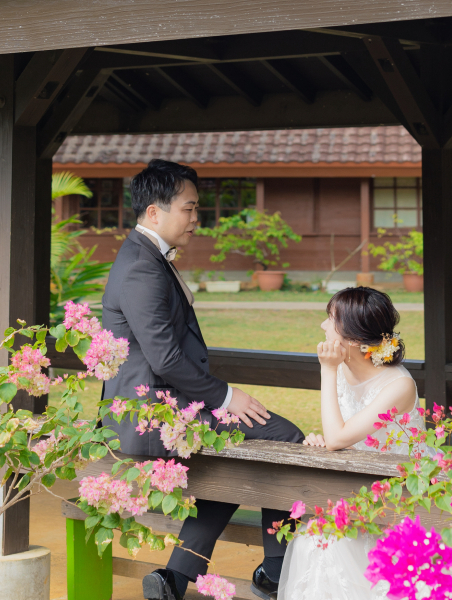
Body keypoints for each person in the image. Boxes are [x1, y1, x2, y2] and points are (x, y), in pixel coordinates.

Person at [100, 158, 304, 600]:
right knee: (284, 437)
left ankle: (175, 578)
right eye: (189, 209)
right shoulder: (141, 265)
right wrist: (226, 397)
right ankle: (275, 568)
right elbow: (166, 356)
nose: (196, 219)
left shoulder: (145, 255)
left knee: (237, 459)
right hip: (153, 417)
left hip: (164, 406)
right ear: (154, 212)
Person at [277, 286, 424, 600]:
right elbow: (336, 433)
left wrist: (327, 369)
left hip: (398, 498)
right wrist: (322, 439)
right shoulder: (343, 370)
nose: (323, 326)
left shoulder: (398, 385)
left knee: (330, 542)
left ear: (355, 340)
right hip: (354, 488)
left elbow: (339, 437)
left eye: (331, 319)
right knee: (315, 541)